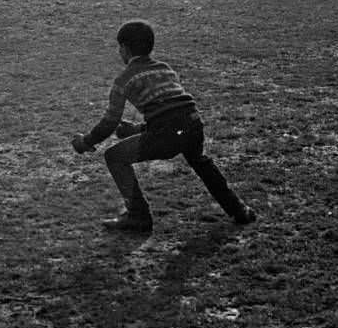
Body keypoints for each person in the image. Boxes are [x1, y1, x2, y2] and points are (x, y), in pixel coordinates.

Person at [72, 20, 257, 233]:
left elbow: (109, 123)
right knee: (201, 162)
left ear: (124, 49)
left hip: (167, 132)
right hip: (193, 123)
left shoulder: (124, 79)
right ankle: (238, 209)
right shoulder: (165, 69)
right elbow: (172, 111)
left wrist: (85, 142)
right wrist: (136, 130)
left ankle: (138, 216)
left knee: (114, 157)